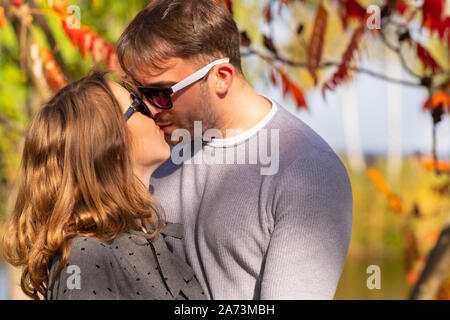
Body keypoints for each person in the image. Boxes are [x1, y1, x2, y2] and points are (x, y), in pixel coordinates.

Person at [116, 0, 353, 300]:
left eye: (162, 93)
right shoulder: (158, 153)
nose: (149, 108)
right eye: (139, 94)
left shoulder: (308, 173)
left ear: (221, 78)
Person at [1, 71, 207, 300]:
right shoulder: (84, 257)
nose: (156, 111)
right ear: (109, 144)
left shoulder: (147, 237)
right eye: (138, 105)